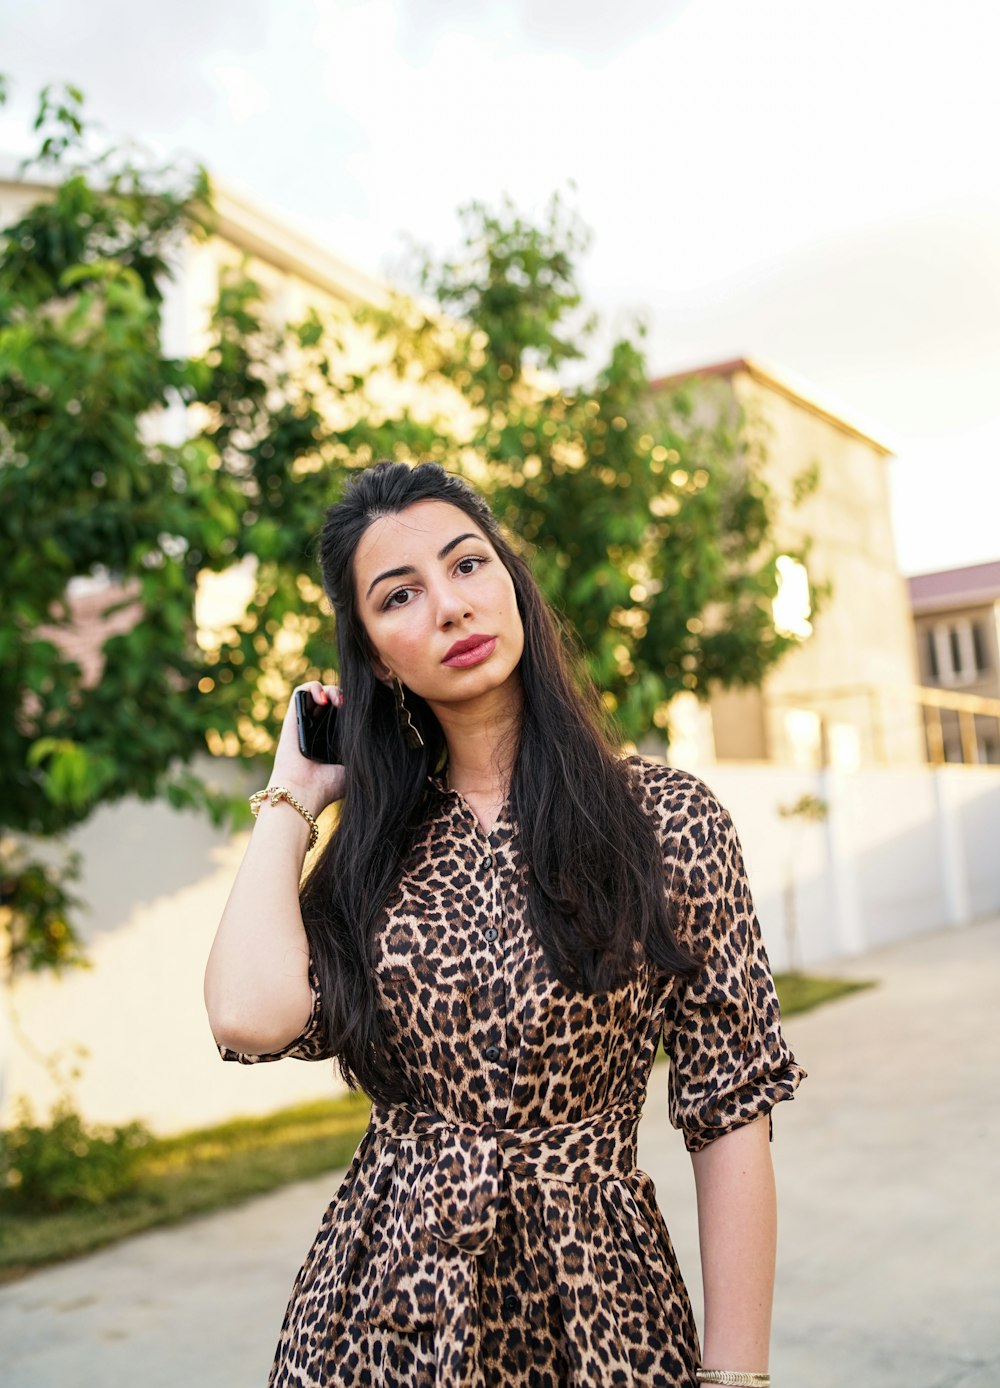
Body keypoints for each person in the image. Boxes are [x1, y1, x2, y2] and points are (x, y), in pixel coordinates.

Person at [204, 459, 806, 1388]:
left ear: (512, 584)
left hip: (601, 1309)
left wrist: (740, 1376)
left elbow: (729, 1113)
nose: (448, 606)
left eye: (468, 565)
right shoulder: (373, 853)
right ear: (369, 652)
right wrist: (295, 792)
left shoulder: (664, 820)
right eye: (399, 595)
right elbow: (250, 1016)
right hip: (385, 1320)